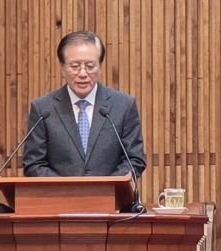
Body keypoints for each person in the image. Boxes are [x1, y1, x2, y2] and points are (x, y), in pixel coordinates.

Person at [22, 31, 146, 178]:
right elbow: (33, 163)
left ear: (100, 66)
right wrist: (68, 188)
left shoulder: (123, 105)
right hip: (60, 193)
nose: (82, 73)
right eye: (75, 66)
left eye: (90, 66)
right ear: (62, 67)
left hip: (111, 192)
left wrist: (107, 186)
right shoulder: (43, 109)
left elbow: (134, 160)